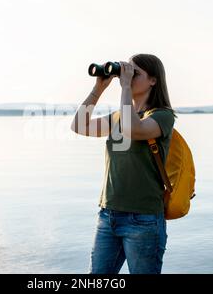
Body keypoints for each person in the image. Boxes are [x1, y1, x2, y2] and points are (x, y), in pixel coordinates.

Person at [70, 53, 177, 274]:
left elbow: (133, 128)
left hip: (143, 219)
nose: (126, 77)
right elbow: (79, 125)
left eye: (135, 73)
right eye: (126, 72)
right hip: (108, 215)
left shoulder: (162, 116)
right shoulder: (119, 116)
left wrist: (125, 87)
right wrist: (99, 88)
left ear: (153, 81)